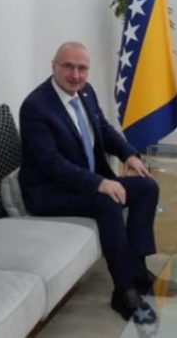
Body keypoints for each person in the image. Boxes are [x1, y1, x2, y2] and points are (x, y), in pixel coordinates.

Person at [18, 41, 165, 323]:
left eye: (82, 68)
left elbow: (104, 130)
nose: (75, 75)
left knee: (147, 187)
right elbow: (50, 163)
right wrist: (99, 183)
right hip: (50, 191)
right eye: (68, 67)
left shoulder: (85, 91)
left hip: (84, 181)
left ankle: (138, 271)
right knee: (107, 202)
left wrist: (129, 154)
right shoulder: (35, 107)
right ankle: (123, 290)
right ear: (53, 67)